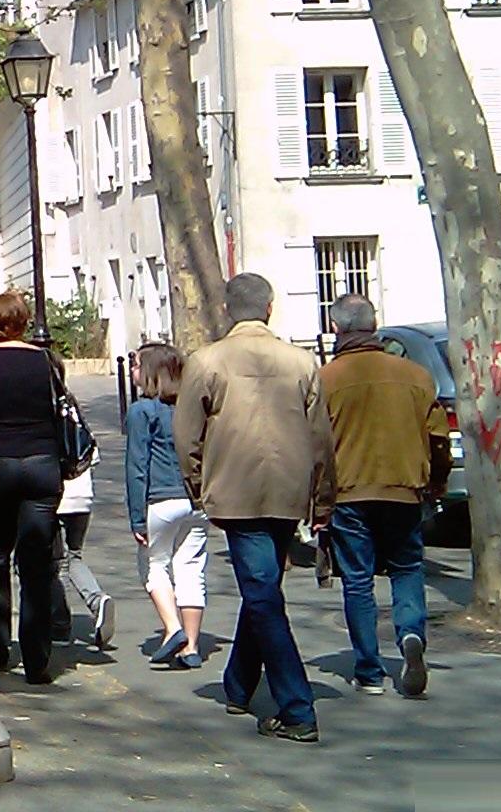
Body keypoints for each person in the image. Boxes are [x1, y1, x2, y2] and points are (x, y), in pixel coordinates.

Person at [177, 273, 330, 745]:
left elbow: (187, 436)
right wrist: (322, 498)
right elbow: (321, 439)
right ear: (269, 307)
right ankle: (240, 684)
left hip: (236, 489)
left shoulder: (207, 361)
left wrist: (199, 488)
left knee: (263, 594)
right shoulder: (302, 362)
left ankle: (297, 707)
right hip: (287, 489)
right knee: (263, 589)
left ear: (227, 309)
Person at [317, 295, 449, 699]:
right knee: (407, 568)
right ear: (375, 325)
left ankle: (369, 671)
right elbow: (439, 437)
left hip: (349, 492)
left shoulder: (325, 379)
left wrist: (317, 502)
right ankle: (411, 636)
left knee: (357, 581)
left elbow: (315, 444)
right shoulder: (415, 375)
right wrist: (437, 482)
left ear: (337, 329)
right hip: (404, 487)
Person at [0, 290, 64, 683]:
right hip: (40, 464)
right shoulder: (46, 363)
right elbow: (58, 411)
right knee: (36, 562)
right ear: (24, 321)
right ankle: (38, 658)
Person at [124, 341, 207, 667]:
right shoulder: (192, 409)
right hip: (195, 500)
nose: (132, 371)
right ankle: (192, 647)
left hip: (159, 499)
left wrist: (136, 518)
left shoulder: (141, 412)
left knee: (153, 565)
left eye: (136, 365)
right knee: (191, 569)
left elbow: (137, 466)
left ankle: (172, 628)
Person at [50, 427, 115, 652]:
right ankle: (98, 600)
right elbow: (93, 456)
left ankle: (59, 625)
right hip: (83, 497)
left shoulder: (48, 421)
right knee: (74, 555)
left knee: (54, 562)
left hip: (56, 497)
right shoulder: (77, 423)